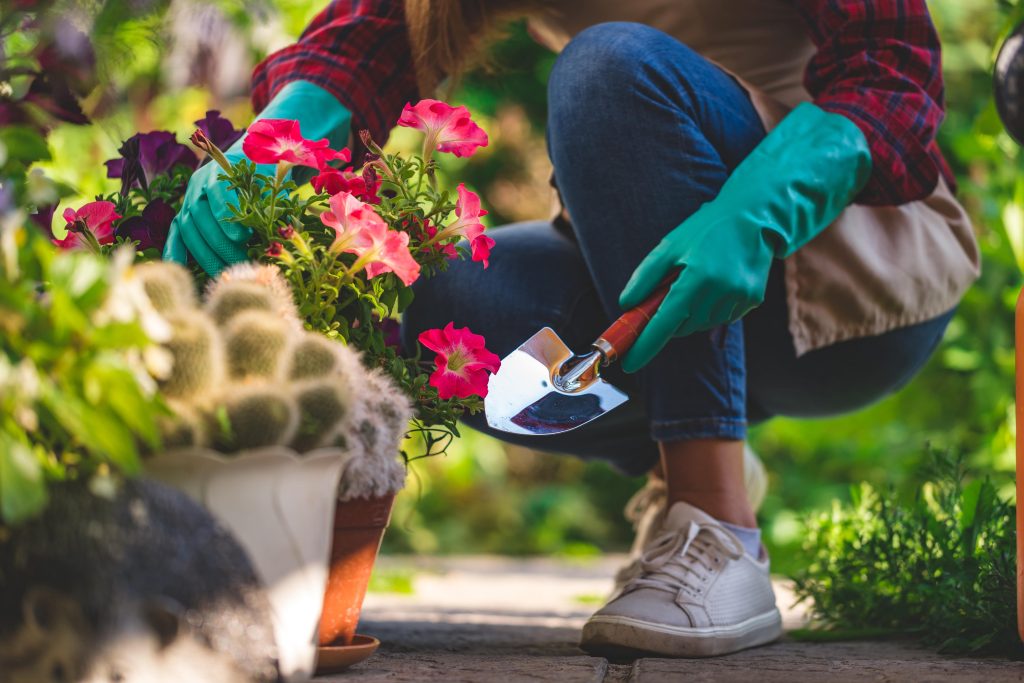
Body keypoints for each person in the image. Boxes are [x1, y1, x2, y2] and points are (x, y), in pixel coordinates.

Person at [164, 0, 980, 658]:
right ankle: (692, 441)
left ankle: (716, 520)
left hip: (846, 273)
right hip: (639, 273)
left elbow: (891, 77)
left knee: (606, 66)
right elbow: (372, 39)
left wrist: (761, 209)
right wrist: (273, 146)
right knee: (392, 282)